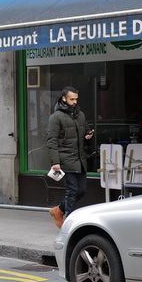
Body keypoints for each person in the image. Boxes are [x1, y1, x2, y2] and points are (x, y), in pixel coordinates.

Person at [45, 86, 95, 229]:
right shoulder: (56, 117)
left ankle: (58, 210)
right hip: (66, 159)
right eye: (71, 99)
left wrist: (88, 135)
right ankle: (69, 224)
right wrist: (55, 161)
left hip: (80, 159)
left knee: (82, 190)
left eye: (76, 99)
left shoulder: (80, 115)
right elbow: (51, 140)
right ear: (64, 98)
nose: (74, 102)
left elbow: (85, 131)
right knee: (72, 190)